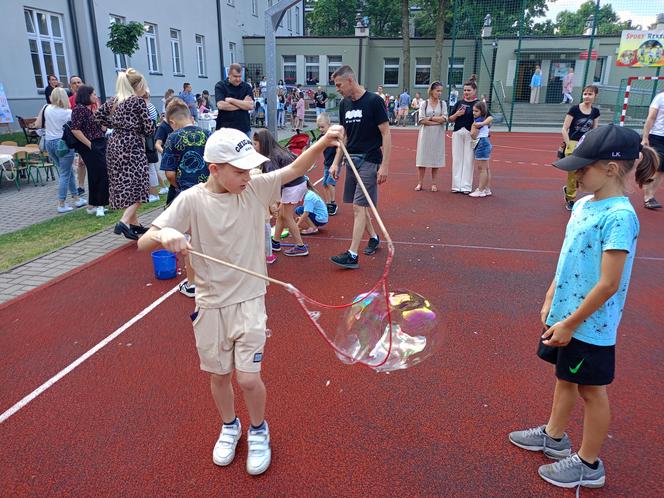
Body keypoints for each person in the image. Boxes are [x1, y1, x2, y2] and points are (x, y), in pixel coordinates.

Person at [136, 125, 343, 476]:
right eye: (240, 170)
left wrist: (323, 142)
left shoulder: (256, 187)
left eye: (251, 168)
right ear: (214, 169)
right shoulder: (191, 199)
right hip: (211, 304)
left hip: (250, 300)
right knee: (219, 376)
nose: (249, 175)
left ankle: (258, 429)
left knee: (247, 378)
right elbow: (145, 242)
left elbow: (293, 170)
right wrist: (165, 233)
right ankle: (230, 425)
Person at [509, 124, 659, 493]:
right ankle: (554, 437)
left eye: (583, 167)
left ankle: (589, 463)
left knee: (592, 391)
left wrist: (573, 322)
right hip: (566, 314)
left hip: (589, 324)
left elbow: (608, 283)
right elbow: (569, 260)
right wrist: (550, 297)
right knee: (565, 378)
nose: (576, 174)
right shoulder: (581, 205)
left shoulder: (620, 216)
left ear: (610, 168)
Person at [328, 65, 391, 270]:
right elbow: (343, 135)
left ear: (350, 81)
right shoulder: (344, 104)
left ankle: (352, 255)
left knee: (358, 207)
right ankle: (373, 237)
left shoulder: (374, 101)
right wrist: (336, 162)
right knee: (360, 206)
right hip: (350, 160)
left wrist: (385, 166)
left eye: (339, 85)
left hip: (370, 160)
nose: (337, 89)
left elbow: (386, 133)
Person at [95, 68, 155, 240]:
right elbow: (149, 128)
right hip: (132, 145)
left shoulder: (114, 101)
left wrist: (114, 124)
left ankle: (134, 225)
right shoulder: (138, 102)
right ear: (138, 86)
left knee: (123, 185)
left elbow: (97, 116)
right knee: (140, 185)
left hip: (114, 145)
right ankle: (123, 222)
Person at [160, 99, 211, 297]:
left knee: (192, 239)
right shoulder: (208, 134)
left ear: (171, 121)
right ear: (190, 116)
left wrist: (179, 187)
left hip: (188, 195)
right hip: (210, 192)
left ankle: (192, 283)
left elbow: (170, 173)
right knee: (210, 235)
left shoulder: (173, 138)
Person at [252, 128, 309, 257]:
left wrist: (274, 203)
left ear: (263, 143)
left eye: (255, 144)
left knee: (287, 216)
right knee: (283, 215)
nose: (253, 146)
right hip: (296, 183)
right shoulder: (278, 150)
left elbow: (275, 182)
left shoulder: (271, 158)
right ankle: (276, 241)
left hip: (292, 186)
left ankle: (300, 246)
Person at [35, 87, 87, 213]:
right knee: (65, 173)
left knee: (66, 171)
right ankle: (61, 203)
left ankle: (76, 198)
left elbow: (37, 124)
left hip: (49, 142)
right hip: (63, 144)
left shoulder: (45, 108)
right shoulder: (68, 112)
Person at [70, 85, 109, 216]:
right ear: (86, 95)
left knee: (96, 174)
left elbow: (103, 129)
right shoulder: (79, 110)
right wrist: (90, 145)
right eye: (93, 94)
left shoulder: (91, 110)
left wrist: (101, 114)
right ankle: (100, 205)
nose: (95, 96)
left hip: (99, 141)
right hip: (90, 145)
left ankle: (93, 204)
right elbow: (75, 129)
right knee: (100, 173)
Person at [562, 85, 600, 210]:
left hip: (586, 144)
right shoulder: (574, 109)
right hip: (573, 143)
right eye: (585, 94)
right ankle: (571, 198)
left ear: (595, 96)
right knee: (572, 173)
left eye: (590, 94)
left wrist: (594, 144)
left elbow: (595, 130)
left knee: (586, 172)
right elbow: (564, 128)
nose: (587, 96)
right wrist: (568, 144)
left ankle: (569, 189)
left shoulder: (595, 112)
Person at [448, 77, 479, 194]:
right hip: (457, 132)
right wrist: (457, 113)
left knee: (468, 159)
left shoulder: (478, 104)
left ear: (474, 91)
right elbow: (450, 118)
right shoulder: (459, 103)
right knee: (457, 159)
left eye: (469, 90)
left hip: (470, 134)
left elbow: (487, 118)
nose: (466, 92)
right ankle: (456, 185)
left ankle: (466, 186)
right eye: (465, 90)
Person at [415, 81, 447, 192]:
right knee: (422, 159)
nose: (439, 93)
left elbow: (444, 118)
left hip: (437, 135)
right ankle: (420, 183)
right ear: (432, 90)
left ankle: (434, 184)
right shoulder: (424, 104)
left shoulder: (443, 104)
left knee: (435, 159)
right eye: (438, 90)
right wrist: (436, 120)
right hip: (425, 135)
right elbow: (421, 120)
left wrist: (431, 118)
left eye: (441, 91)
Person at [640, 88, 664, 210]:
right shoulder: (660, 97)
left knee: (662, 170)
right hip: (658, 136)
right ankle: (647, 197)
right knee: (657, 166)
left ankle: (651, 196)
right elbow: (651, 118)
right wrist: (645, 137)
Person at [215, 63, 254, 135]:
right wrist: (243, 104)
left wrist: (231, 100)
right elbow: (221, 105)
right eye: (235, 76)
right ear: (229, 74)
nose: (238, 79)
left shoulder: (246, 87)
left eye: (240, 76)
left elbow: (250, 106)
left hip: (244, 129)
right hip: (225, 130)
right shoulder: (220, 86)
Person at [468, 101, 494, 197]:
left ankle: (481, 189)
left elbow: (473, 135)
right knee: (486, 168)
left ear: (482, 112)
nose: (474, 113)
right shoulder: (483, 120)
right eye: (473, 111)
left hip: (481, 143)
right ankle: (487, 188)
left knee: (482, 168)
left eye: (476, 111)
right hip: (485, 142)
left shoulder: (478, 121)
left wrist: (472, 128)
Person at [316, 112, 339, 215]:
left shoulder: (334, 136)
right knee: (324, 184)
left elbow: (340, 148)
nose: (321, 129)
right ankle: (328, 202)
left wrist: (340, 161)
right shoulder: (321, 137)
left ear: (329, 125)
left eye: (322, 127)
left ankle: (333, 203)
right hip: (327, 164)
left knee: (330, 183)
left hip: (334, 164)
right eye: (319, 127)